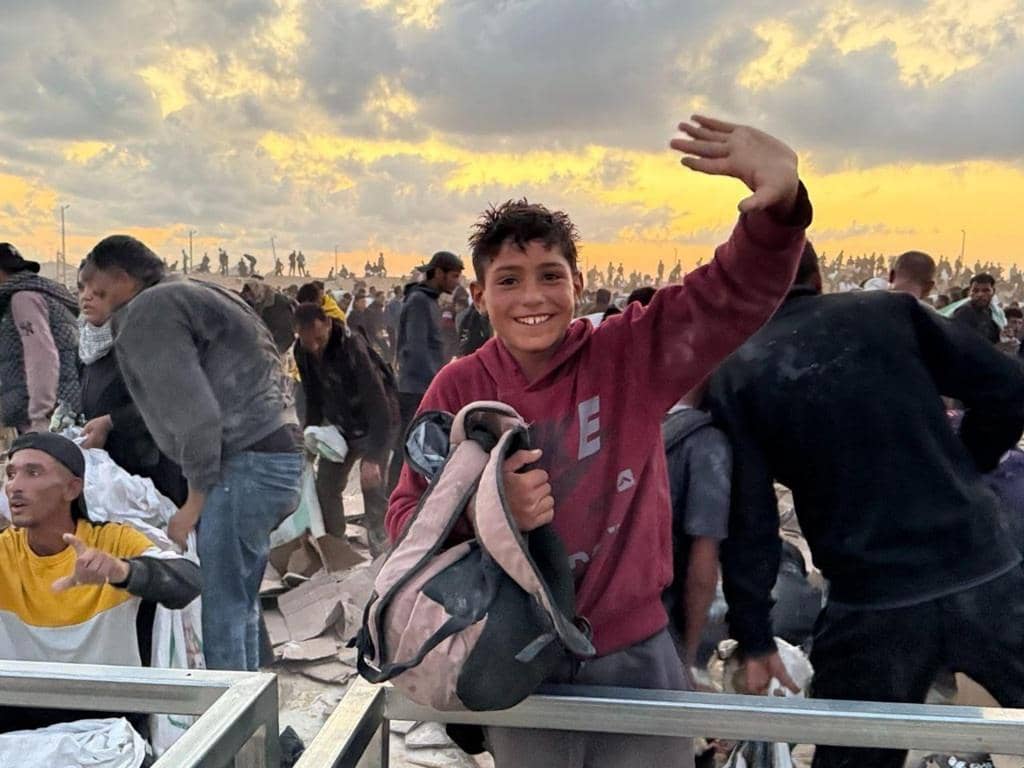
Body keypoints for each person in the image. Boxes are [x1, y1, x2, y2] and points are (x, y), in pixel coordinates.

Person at [387, 114, 811, 768]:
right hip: (520, 660)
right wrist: (489, 514)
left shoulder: (627, 354)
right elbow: (407, 524)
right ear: (478, 294)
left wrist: (779, 206)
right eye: (509, 279)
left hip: (635, 651)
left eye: (551, 275)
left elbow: (726, 298)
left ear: (578, 284)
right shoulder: (457, 390)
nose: (533, 296)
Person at [706, 244, 1024, 768]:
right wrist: (967, 463)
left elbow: (752, 522)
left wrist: (756, 636)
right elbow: (1008, 388)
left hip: (874, 608)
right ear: (818, 276)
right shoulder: (888, 313)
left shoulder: (737, 374)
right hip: (983, 570)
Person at [79, 235, 302, 671]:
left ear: (123, 279)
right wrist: (114, 421)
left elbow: (197, 417)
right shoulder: (193, 291)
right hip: (277, 457)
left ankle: (230, 730)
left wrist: (193, 501)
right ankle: (259, 726)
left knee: (220, 607)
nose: (85, 294)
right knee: (240, 602)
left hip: (244, 465)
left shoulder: (148, 311)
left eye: (93, 284)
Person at [0, 432, 200, 733]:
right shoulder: (5, 551)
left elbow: (188, 581)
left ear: (72, 488)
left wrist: (123, 573)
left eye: (33, 472)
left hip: (110, 723)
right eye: (11, 474)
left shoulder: (113, 541)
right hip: (18, 723)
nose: (15, 486)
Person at [293, 303, 399, 555]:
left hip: (376, 421)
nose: (315, 347)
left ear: (328, 324)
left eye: (319, 339)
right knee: (326, 486)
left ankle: (381, 548)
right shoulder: (302, 351)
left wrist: (373, 457)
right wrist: (311, 436)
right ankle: (337, 547)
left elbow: (378, 401)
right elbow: (313, 396)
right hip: (341, 425)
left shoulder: (351, 348)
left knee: (371, 482)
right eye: (309, 342)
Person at [78, 272, 188, 506]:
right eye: (82, 289)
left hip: (153, 464)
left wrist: (110, 421)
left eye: (98, 293)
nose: (86, 298)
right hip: (112, 466)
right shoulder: (89, 344)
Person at [661, 386, 730, 678]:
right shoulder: (706, 443)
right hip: (659, 632)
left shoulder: (615, 421)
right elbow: (702, 570)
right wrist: (686, 658)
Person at [0, 243, 80, 434]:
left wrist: (40, 416)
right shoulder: (45, 294)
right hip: (63, 409)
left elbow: (42, 356)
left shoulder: (23, 299)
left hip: (45, 416)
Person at [394, 251, 464, 435]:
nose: (457, 282)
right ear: (439, 273)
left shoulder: (427, 300)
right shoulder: (419, 301)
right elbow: (416, 349)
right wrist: (436, 383)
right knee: (410, 447)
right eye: (454, 276)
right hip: (416, 388)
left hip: (421, 385)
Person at [240, 279, 296, 354]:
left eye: (251, 295)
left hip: (276, 349)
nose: (250, 298)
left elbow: (286, 333)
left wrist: (276, 352)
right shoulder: (251, 303)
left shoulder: (278, 303)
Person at [952, 273, 1000, 343]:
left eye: (985, 290)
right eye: (975, 290)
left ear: (993, 292)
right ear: (970, 292)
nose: (980, 294)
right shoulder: (964, 312)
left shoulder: (989, 312)